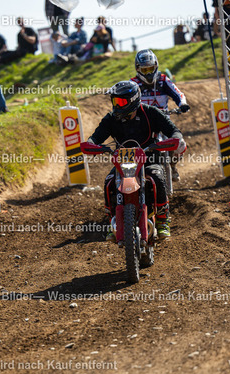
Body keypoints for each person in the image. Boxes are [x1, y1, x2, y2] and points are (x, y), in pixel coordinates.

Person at [85, 80, 185, 239]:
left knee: (157, 178)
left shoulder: (151, 113)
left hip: (149, 158)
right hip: (123, 162)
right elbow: (96, 136)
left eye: (121, 102)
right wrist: (91, 144)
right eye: (115, 101)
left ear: (133, 100)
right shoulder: (111, 118)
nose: (117, 106)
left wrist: (176, 138)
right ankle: (112, 220)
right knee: (109, 182)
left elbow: (172, 129)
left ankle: (162, 220)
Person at [130, 49, 189, 185]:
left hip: (164, 121)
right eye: (145, 70)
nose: (148, 73)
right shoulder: (133, 84)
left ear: (156, 66)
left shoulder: (163, 80)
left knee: (180, 144)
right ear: (138, 69)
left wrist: (183, 104)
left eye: (151, 69)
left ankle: (173, 165)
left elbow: (178, 93)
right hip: (142, 124)